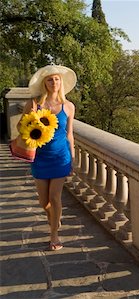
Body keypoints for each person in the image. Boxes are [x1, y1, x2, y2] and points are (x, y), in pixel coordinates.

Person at [18, 65, 76, 251]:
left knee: (55, 197)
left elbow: (69, 134)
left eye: (57, 79)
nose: (54, 83)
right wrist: (31, 123)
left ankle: (54, 235)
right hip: (40, 158)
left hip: (61, 157)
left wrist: (72, 157)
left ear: (61, 82)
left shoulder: (68, 107)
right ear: (44, 83)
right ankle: (54, 219)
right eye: (50, 80)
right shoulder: (35, 104)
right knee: (44, 202)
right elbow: (20, 126)